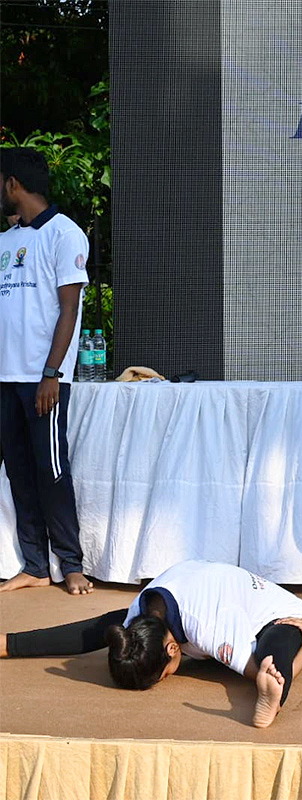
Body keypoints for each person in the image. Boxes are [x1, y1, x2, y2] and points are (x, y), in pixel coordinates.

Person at [0, 559, 302, 728]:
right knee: (103, 625)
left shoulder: (208, 627)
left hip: (278, 613)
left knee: (270, 661)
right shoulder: (141, 613)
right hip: (223, 594)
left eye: (165, 675)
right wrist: (10, 643)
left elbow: (260, 674)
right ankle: (6, 644)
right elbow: (85, 634)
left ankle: (274, 705)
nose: (169, 678)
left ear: (173, 649)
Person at [0, 146, 92, 595]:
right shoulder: (7, 240)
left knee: (51, 470)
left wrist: (52, 372)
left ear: (13, 184)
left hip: (44, 378)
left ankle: (71, 563)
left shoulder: (65, 234)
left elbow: (69, 307)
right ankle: (35, 564)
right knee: (19, 470)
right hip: (6, 378)